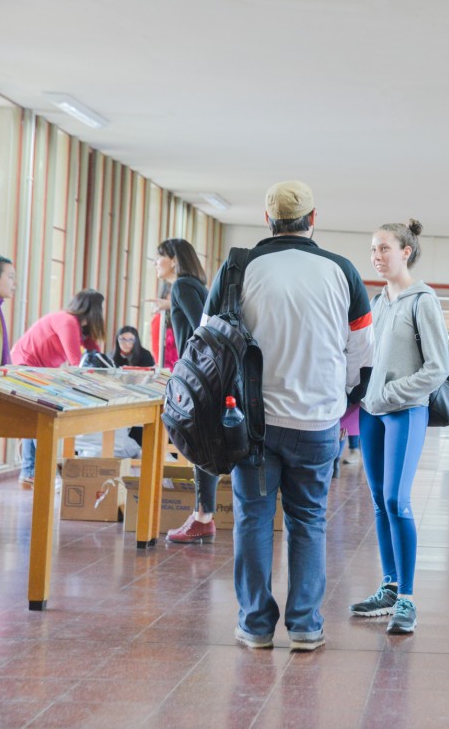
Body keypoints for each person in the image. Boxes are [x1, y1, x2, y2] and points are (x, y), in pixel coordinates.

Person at [205, 180, 372, 651]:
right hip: (318, 423)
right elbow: (363, 353)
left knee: (254, 519)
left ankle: (256, 625)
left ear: (267, 220)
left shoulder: (241, 265)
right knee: (309, 520)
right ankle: (304, 624)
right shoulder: (343, 271)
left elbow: (207, 337)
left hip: (253, 425)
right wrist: (340, 397)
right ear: (313, 219)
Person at [352, 219, 448, 635]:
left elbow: (437, 369)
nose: (377, 256)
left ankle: (407, 598)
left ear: (406, 251)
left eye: (384, 248)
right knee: (378, 500)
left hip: (405, 410)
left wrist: (390, 394)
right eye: (373, 249)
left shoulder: (422, 301)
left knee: (397, 500)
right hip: (371, 413)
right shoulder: (379, 302)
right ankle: (388, 586)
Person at [151, 237, 222, 544]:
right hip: (199, 376)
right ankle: (201, 516)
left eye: (160, 257)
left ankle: (203, 517)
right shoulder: (187, 287)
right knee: (199, 445)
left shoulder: (182, 286)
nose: (156, 263)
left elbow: (200, 329)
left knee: (199, 446)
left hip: (197, 379)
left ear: (175, 260)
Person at [10, 289, 105, 488]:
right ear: (93, 310)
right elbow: (76, 361)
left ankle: (30, 473)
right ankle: (36, 472)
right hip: (25, 366)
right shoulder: (67, 321)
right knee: (38, 420)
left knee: (36, 420)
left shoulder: (79, 328)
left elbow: (96, 355)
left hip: (39, 371)